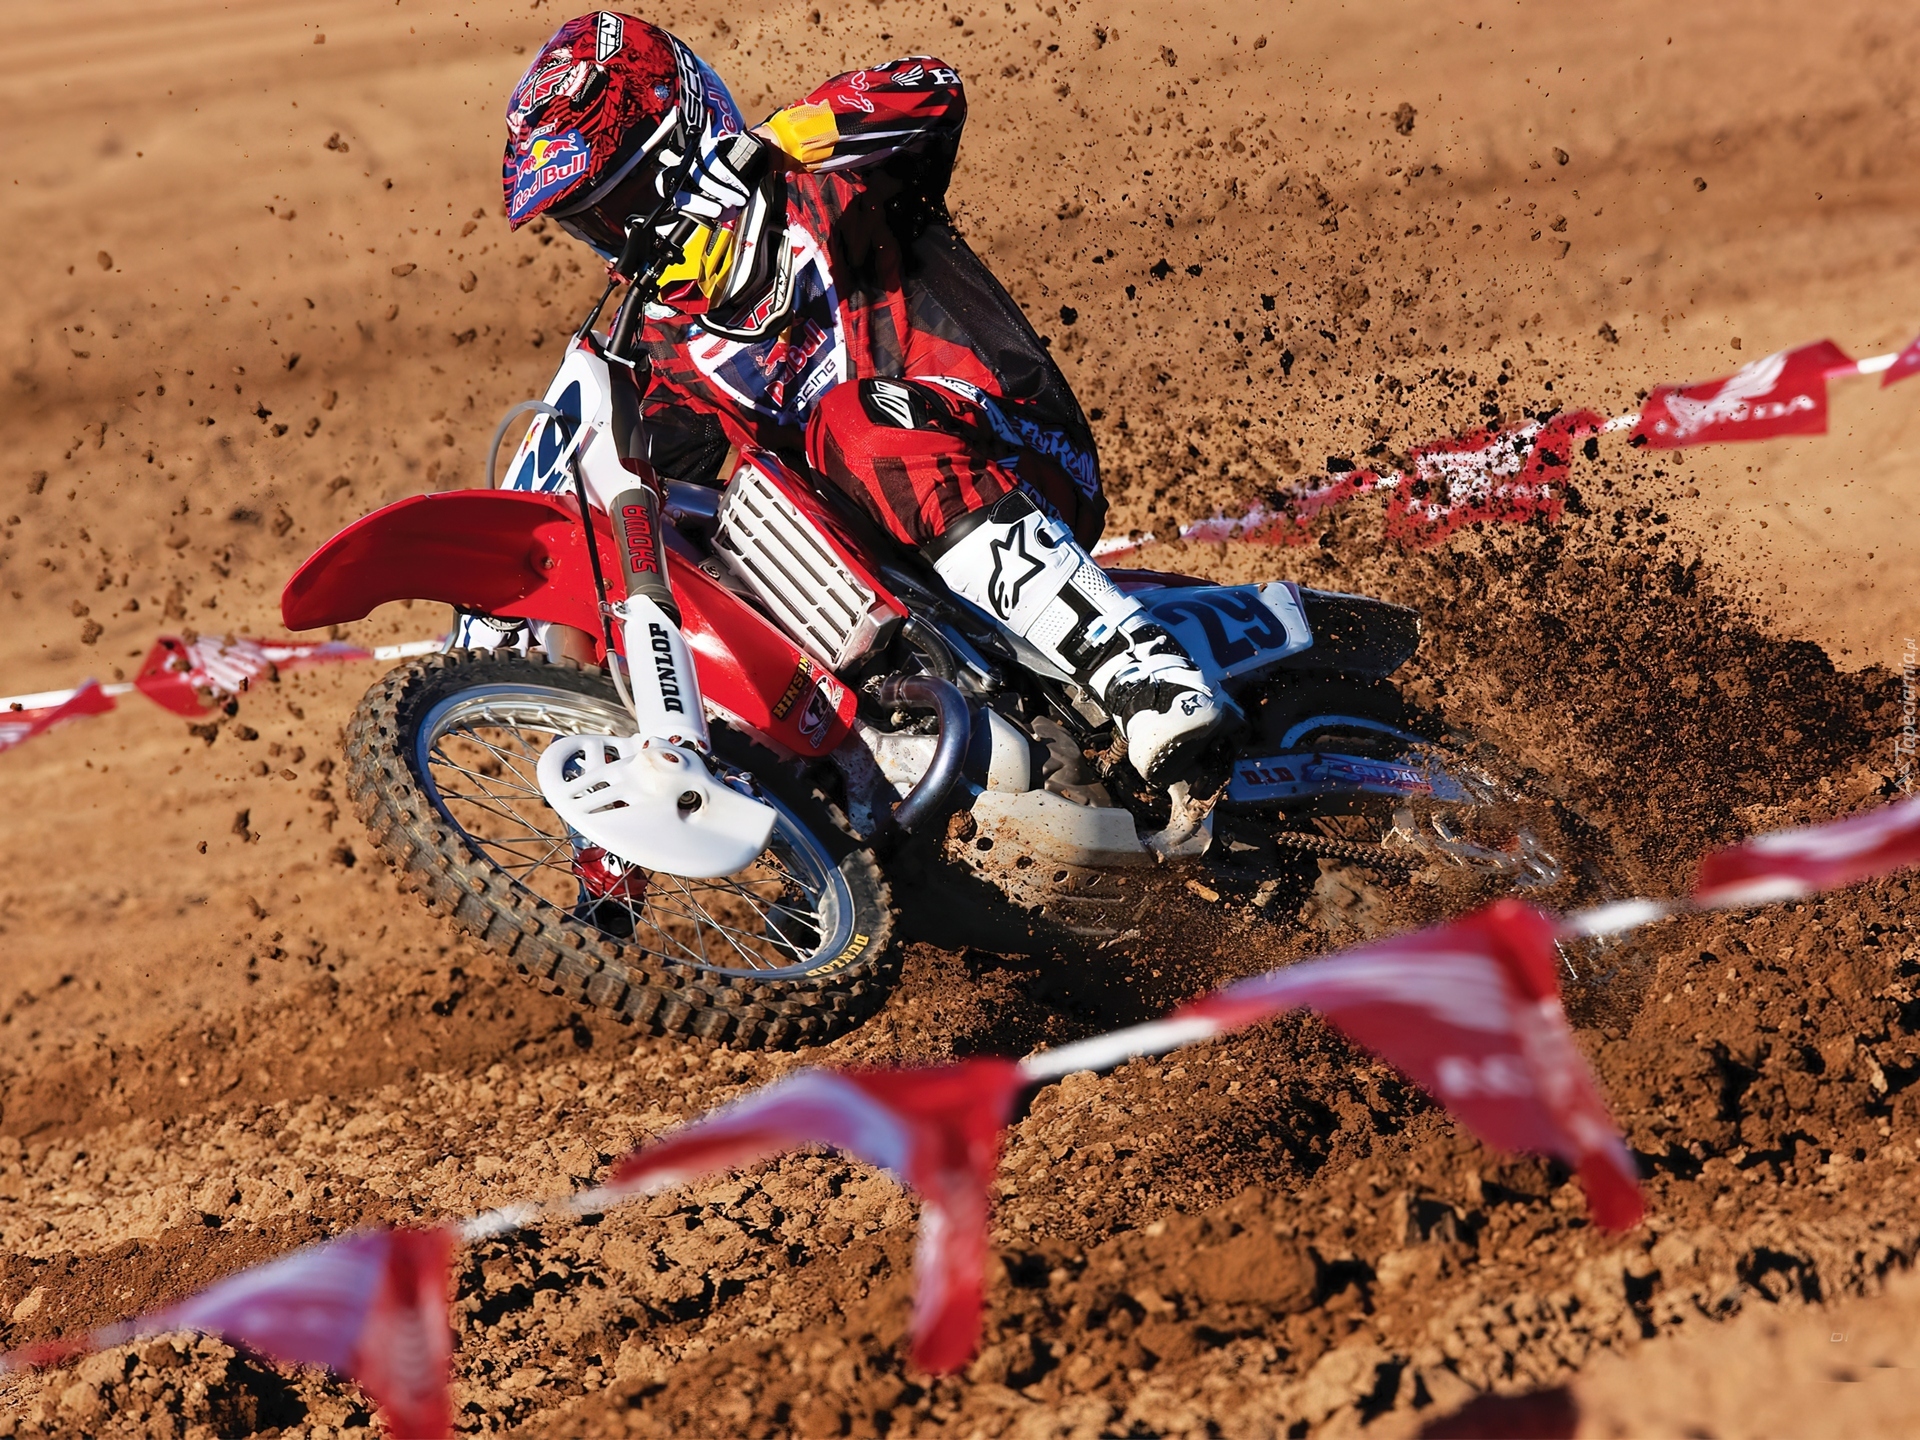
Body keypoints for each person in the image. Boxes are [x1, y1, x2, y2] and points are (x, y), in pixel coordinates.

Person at [501, 11, 1221, 783]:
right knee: (688, 540)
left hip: (1018, 452)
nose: (625, 238)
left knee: (852, 424)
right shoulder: (668, 348)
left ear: (688, 138)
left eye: (626, 202)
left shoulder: (832, 181)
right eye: (592, 223)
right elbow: (620, 504)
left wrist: (778, 142)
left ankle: (1139, 667)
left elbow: (932, 89)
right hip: (888, 575)